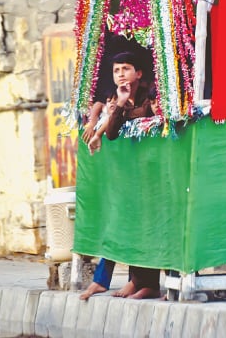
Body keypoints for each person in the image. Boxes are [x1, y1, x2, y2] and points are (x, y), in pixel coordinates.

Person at [79, 51, 160, 300]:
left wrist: (100, 128)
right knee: (123, 223)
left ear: (139, 73)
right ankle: (132, 282)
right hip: (127, 177)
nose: (121, 74)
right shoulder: (118, 98)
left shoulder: (151, 96)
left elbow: (155, 119)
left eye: (126, 68)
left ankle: (146, 284)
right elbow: (113, 133)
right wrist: (121, 104)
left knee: (147, 226)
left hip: (151, 173)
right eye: (116, 70)